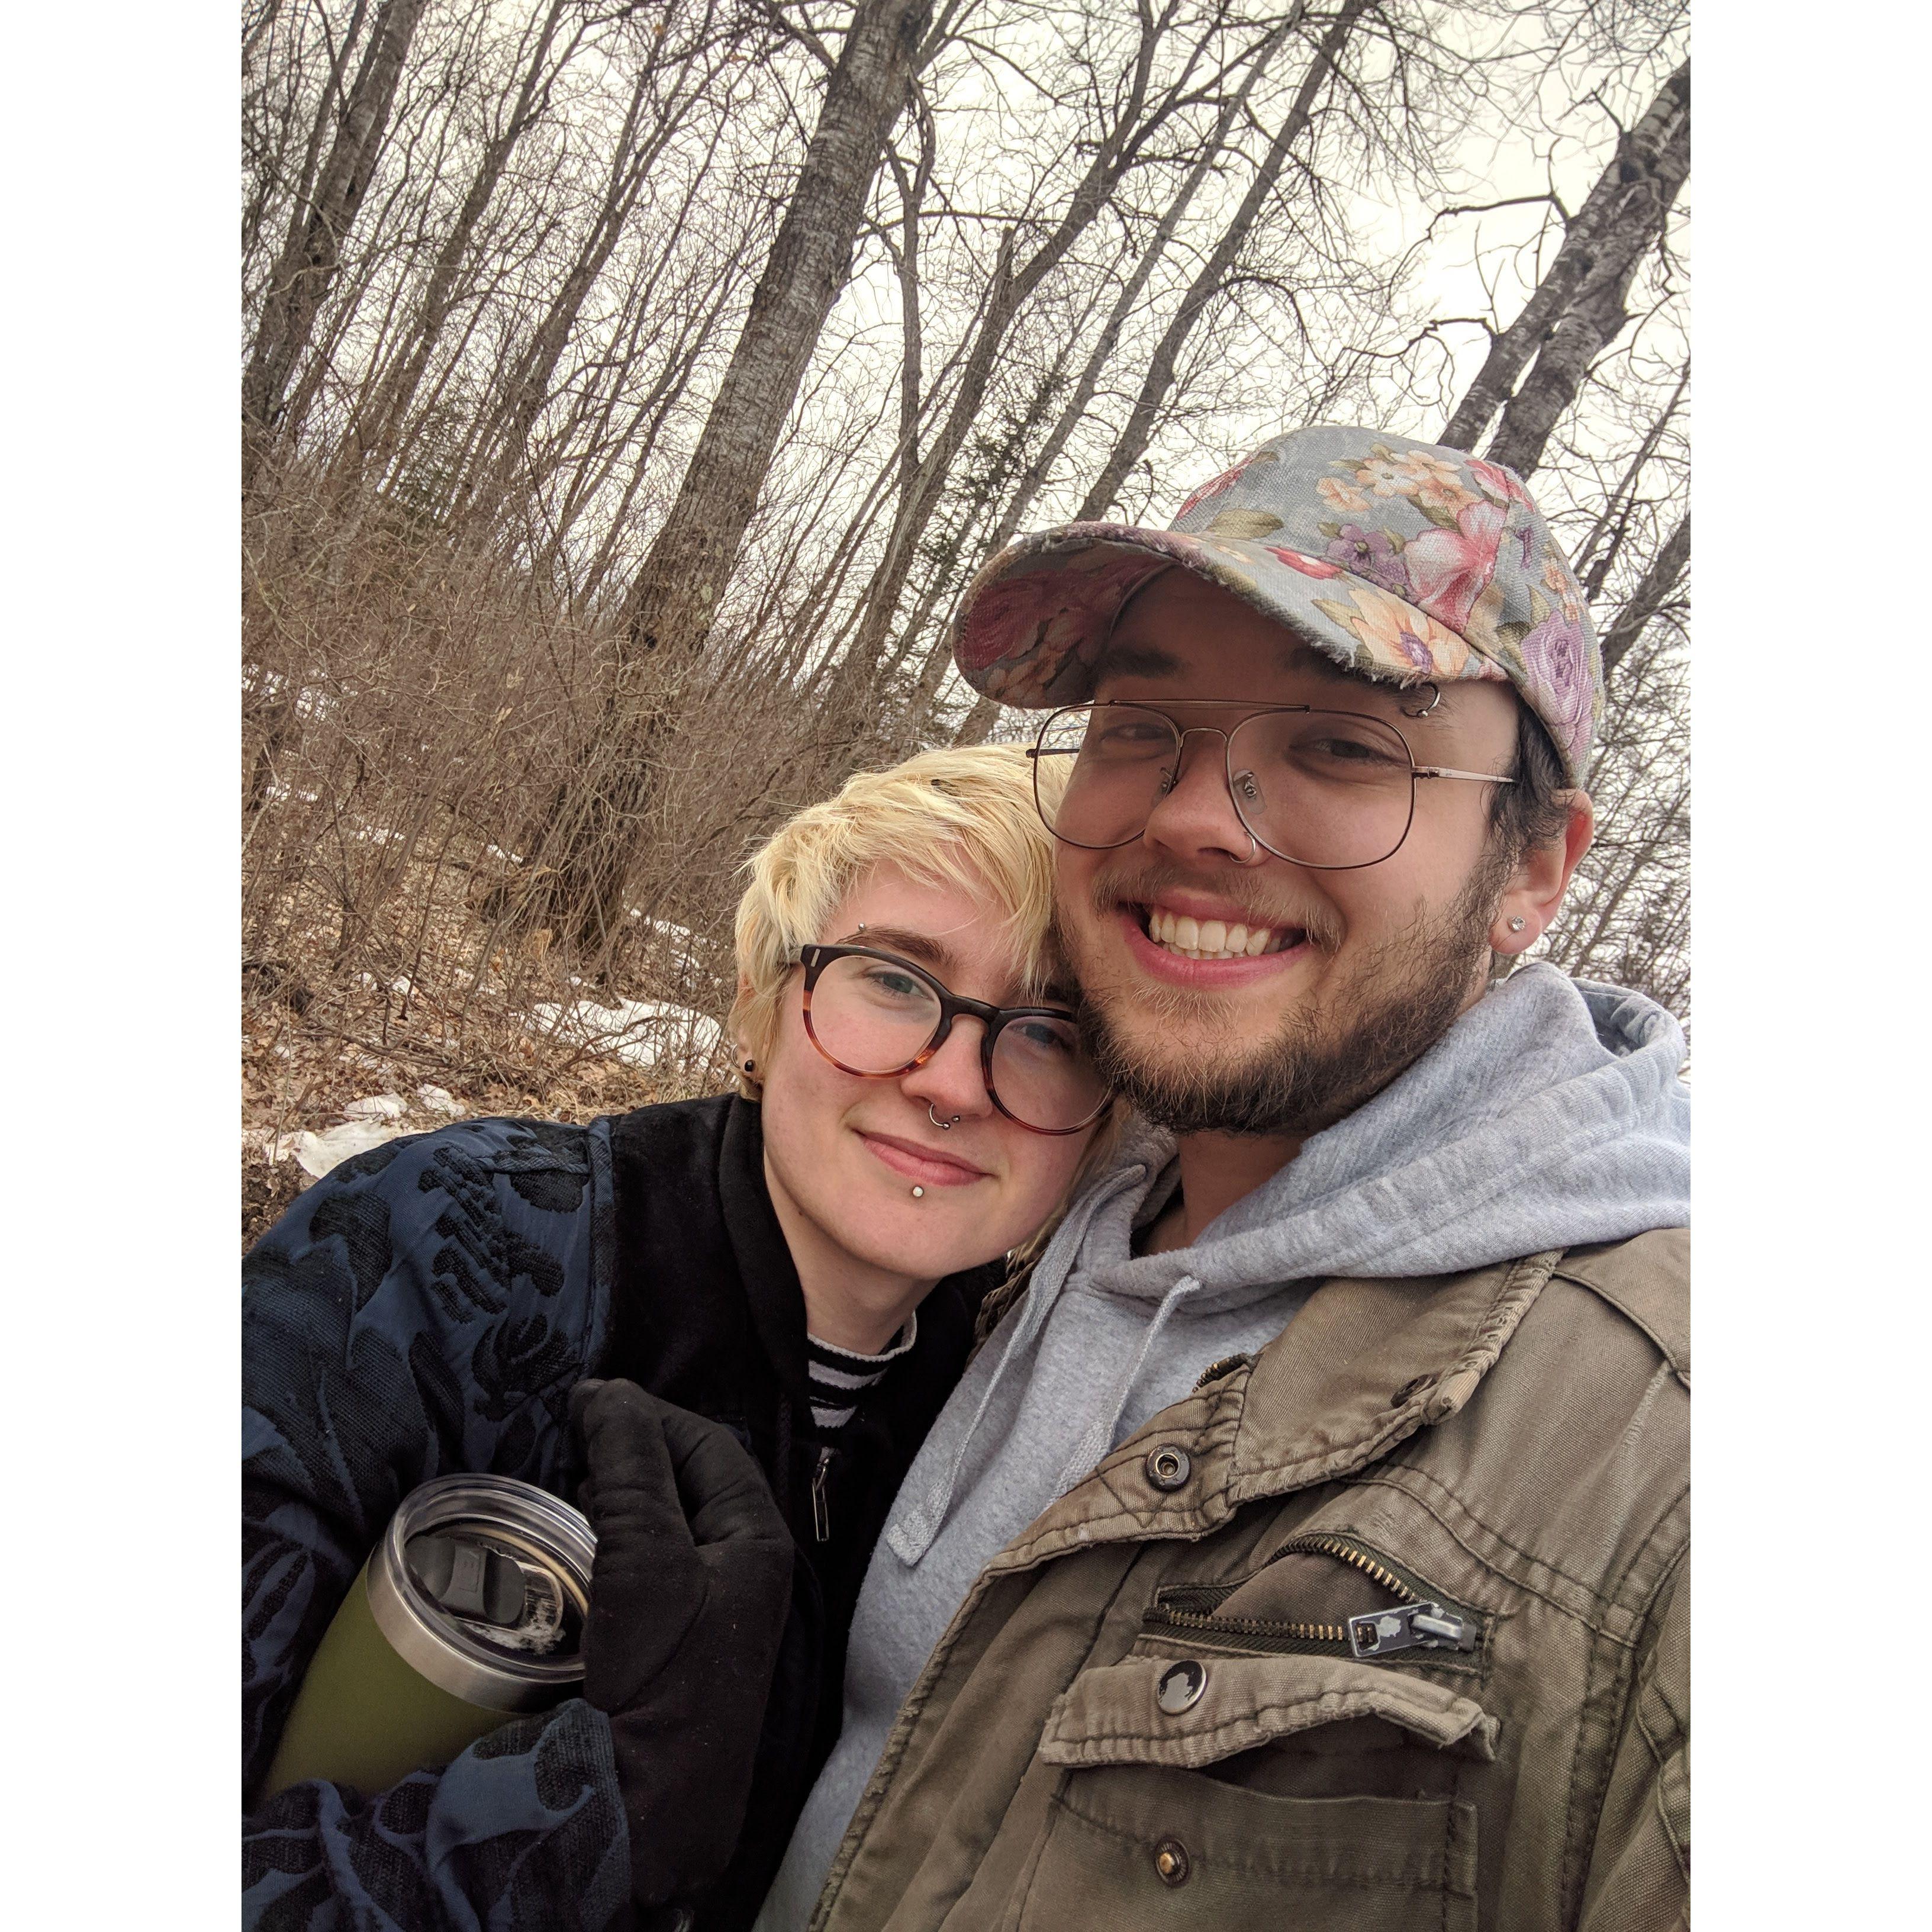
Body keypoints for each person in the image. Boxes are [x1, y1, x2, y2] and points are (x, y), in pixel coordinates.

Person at [759, 425, 1690, 1932]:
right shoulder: (1037, 1187)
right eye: (1141, 726)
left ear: (1531, 870)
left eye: (1342, 747)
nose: (1193, 815)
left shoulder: (1659, 1464)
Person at [242, 745, 1109, 1931]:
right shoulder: (443, 1242)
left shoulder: (1018, 1436)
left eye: (1051, 1032)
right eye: (894, 979)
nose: (954, 1084)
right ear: (763, 1004)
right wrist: (591, 1816)